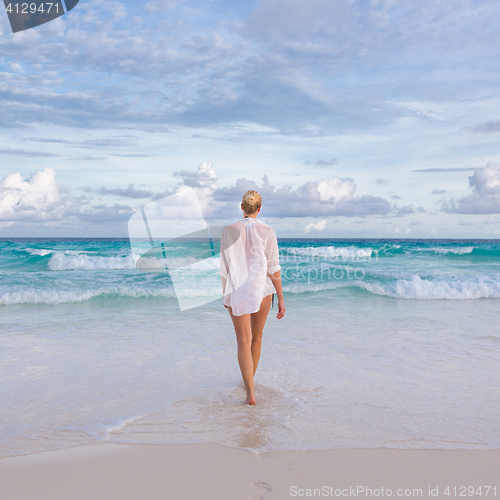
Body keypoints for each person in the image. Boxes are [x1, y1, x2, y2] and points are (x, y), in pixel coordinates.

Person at [219, 190, 285, 405]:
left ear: (241, 207)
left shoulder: (228, 230)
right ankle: (250, 385)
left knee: (243, 340)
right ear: (259, 208)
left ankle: (250, 392)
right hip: (263, 289)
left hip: (237, 289)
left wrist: (226, 296)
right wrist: (281, 299)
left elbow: (225, 268)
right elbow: (273, 268)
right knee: (257, 337)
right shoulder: (268, 231)